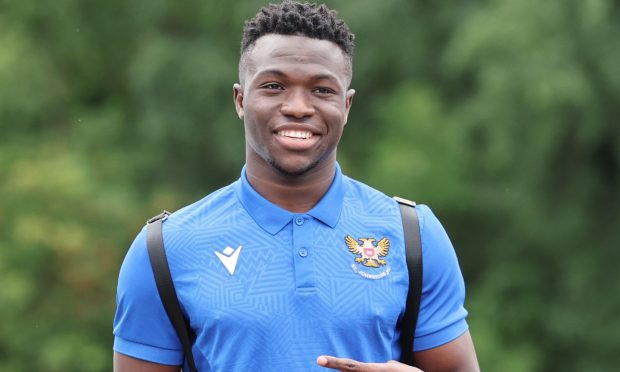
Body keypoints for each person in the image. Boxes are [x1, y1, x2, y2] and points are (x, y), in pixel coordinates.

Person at [112, 1, 480, 371]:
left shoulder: (413, 235)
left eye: (322, 90)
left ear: (347, 105)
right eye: (274, 86)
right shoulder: (165, 249)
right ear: (241, 100)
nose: (299, 107)